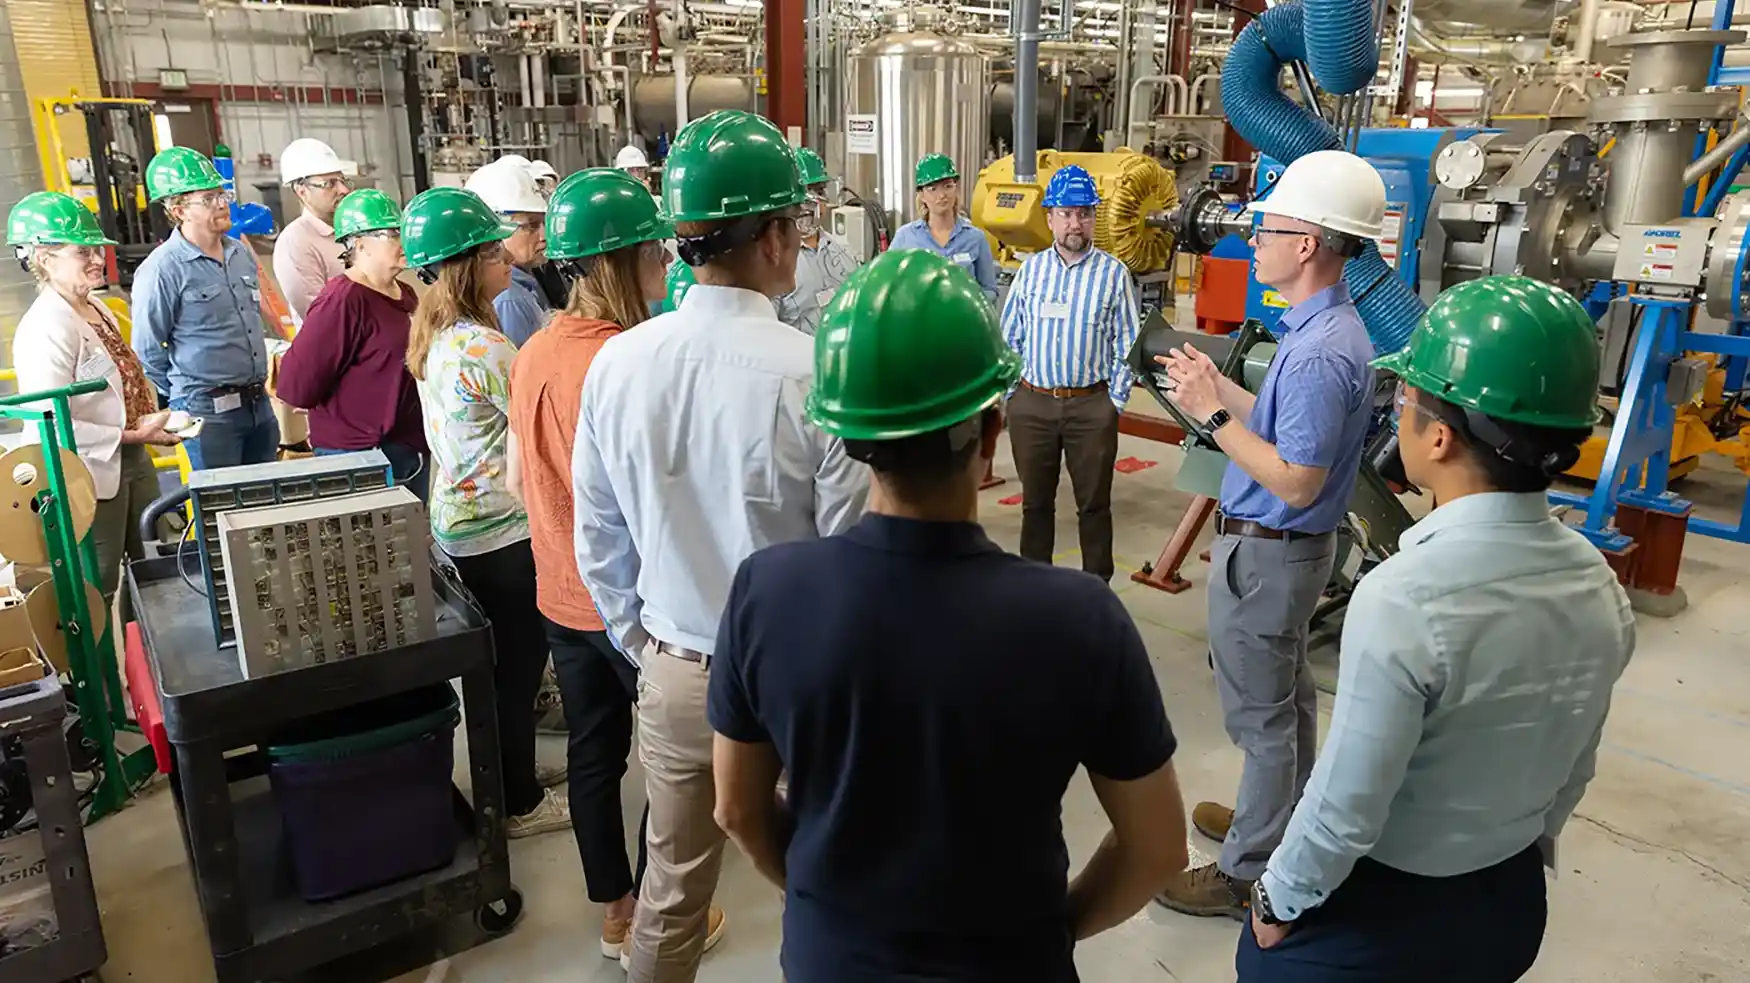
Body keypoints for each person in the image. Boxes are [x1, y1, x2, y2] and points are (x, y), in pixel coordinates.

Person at [709, 248, 1188, 983]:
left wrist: (824, 907)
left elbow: (738, 810)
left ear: (847, 436)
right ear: (992, 433)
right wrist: (1053, 930)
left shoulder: (767, 593)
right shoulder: (1079, 620)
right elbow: (1157, 848)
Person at [1238, 276, 1635, 982]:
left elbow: (1347, 804)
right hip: (1509, 906)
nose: (1397, 414)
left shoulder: (1404, 595)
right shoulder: (1597, 582)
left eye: (1405, 400)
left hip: (1394, 914)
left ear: (1441, 436)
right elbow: (1576, 763)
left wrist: (1277, 898)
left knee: (1260, 956)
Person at [572, 109, 869, 983]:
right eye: (797, 221)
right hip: (795, 678)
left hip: (676, 668)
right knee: (822, 879)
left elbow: (600, 539)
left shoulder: (618, 363)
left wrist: (651, 647)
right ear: (773, 237)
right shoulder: (815, 371)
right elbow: (850, 558)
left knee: (671, 890)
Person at [1153, 149, 1384, 918]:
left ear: (1309, 243)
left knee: (1264, 721)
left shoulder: (1319, 353)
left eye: (1269, 230)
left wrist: (1212, 415)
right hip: (1283, 554)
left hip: (1270, 555)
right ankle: (1278, 821)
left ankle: (1245, 870)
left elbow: (1294, 477)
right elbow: (1284, 430)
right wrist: (1218, 386)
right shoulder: (1322, 329)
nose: (1254, 242)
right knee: (1287, 702)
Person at [507, 168, 666, 961]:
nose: (666, 263)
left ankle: (616, 911)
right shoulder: (626, 360)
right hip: (628, 604)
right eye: (655, 251)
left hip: (558, 596)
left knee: (593, 754)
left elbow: (517, 480)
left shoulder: (533, 350)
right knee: (673, 759)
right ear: (619, 262)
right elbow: (648, 502)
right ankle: (661, 919)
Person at [402, 186, 571, 839]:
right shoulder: (484, 347)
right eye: (494, 253)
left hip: (460, 521)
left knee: (500, 667)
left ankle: (510, 775)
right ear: (466, 267)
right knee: (517, 668)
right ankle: (518, 803)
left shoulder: (438, 334)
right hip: (501, 530)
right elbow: (542, 422)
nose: (507, 259)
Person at [8, 191, 179, 607]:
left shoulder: (94, 308)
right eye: (83, 252)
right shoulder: (46, 327)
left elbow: (110, 378)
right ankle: (103, 653)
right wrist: (130, 435)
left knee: (154, 567)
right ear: (45, 258)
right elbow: (49, 420)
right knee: (98, 582)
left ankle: (147, 646)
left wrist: (144, 422)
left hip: (129, 457)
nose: (98, 259)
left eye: (98, 249)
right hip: (86, 470)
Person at [999, 164, 1140, 584]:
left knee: (1094, 506)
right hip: (1033, 405)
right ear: (1049, 218)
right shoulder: (1030, 271)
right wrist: (1014, 396)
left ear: (1095, 217)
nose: (1075, 223)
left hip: (1090, 407)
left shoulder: (1113, 274)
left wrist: (1113, 402)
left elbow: (1128, 343)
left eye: (1083, 213)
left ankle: (1097, 590)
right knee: (1035, 505)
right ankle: (1035, 588)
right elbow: (1010, 337)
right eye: (1065, 213)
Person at [275, 188, 428, 499]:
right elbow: (297, 384)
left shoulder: (405, 293)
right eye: (391, 234)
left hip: (405, 447)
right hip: (359, 455)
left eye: (403, 231)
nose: (404, 240)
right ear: (359, 244)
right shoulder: (342, 301)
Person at [132, 147, 278, 471]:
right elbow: (147, 349)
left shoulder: (239, 253)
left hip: (257, 402)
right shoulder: (163, 269)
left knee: (265, 495)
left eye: (223, 194)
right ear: (179, 210)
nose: (223, 203)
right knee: (220, 499)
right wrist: (186, 396)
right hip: (206, 411)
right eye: (209, 198)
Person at [465, 159, 550, 346]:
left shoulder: (524, 284)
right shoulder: (508, 300)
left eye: (544, 223)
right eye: (532, 225)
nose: (544, 236)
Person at [888, 152, 997, 299]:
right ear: (922, 195)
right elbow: (887, 285)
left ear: (956, 189)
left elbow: (990, 290)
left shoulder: (975, 238)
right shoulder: (905, 237)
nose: (941, 195)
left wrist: (968, 302)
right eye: (932, 189)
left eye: (948, 186)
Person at [773, 147, 858, 336]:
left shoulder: (843, 253)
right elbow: (767, 332)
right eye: (804, 193)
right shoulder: (774, 264)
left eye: (818, 191)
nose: (810, 203)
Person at [272, 137, 355, 320]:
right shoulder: (296, 242)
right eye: (330, 183)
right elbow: (320, 317)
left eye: (343, 181)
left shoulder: (352, 229)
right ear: (302, 191)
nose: (344, 190)